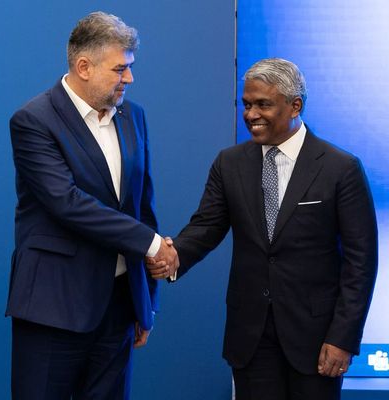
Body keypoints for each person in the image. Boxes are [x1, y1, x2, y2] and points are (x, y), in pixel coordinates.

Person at [147, 58, 378, 399]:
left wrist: (343, 337)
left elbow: (361, 262)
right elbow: (206, 227)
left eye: (263, 104)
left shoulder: (340, 168)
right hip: (251, 338)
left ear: (295, 105)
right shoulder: (229, 163)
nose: (251, 114)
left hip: (316, 339)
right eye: (246, 104)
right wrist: (172, 256)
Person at [7, 11, 178, 400]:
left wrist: (145, 300)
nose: (129, 78)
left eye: (129, 67)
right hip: (53, 308)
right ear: (84, 67)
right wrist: (152, 244)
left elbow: (141, 205)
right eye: (120, 69)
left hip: (118, 307)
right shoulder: (33, 121)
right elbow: (67, 203)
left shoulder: (133, 117)